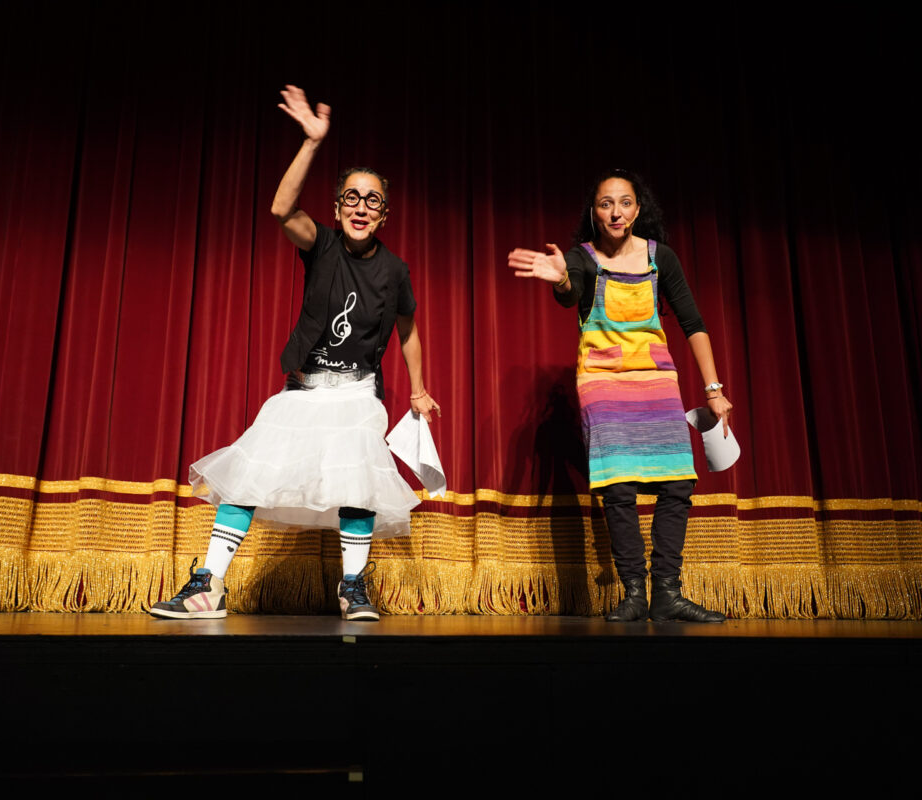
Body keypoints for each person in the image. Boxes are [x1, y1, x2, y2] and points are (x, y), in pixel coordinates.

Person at [150, 85, 440, 623]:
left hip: (356, 397)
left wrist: (418, 391)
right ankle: (208, 588)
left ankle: (352, 589)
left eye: (371, 200)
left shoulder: (395, 272)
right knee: (247, 478)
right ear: (336, 208)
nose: (360, 207)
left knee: (358, 487)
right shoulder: (323, 245)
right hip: (302, 392)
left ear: (384, 214)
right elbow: (282, 208)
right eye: (351, 197)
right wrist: (311, 143)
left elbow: (408, 331)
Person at [508, 169, 732, 622]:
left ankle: (666, 590)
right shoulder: (582, 258)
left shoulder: (658, 258)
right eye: (606, 204)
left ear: (637, 209)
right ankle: (634, 592)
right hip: (604, 382)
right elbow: (569, 295)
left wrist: (714, 389)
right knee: (618, 488)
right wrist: (559, 280)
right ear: (594, 213)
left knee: (677, 485)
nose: (615, 211)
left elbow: (693, 322)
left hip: (656, 379)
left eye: (624, 202)